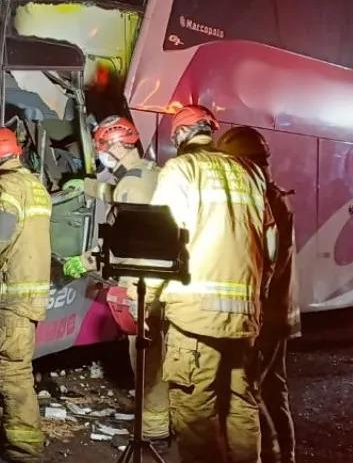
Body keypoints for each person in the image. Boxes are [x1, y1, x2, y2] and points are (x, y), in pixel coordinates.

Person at [148, 105, 269, 463]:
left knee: (195, 410)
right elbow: (270, 246)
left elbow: (161, 244)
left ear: (180, 136)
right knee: (242, 405)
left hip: (196, 316)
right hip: (245, 316)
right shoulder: (251, 172)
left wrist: (143, 301)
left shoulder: (182, 169)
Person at [218, 126, 299, 463]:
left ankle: (271, 454)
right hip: (280, 315)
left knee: (248, 393)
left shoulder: (265, 200)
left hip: (265, 316)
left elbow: (266, 265)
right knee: (273, 389)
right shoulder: (273, 194)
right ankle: (286, 456)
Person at [91, 115, 169, 444]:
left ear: (118, 147)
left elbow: (127, 238)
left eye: (103, 149)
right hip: (161, 279)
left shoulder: (131, 185)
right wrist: (90, 187)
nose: (102, 157)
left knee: (146, 357)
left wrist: (91, 259)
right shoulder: (152, 172)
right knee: (159, 352)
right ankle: (161, 421)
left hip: (141, 281)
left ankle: (152, 429)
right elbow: (120, 194)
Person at [0, 127, 53, 462]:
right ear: (17, 152)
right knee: (19, 367)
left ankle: (24, 450)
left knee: (10, 372)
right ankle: (23, 443)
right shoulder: (36, 186)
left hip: (16, 292)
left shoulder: (7, 186)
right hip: (33, 290)